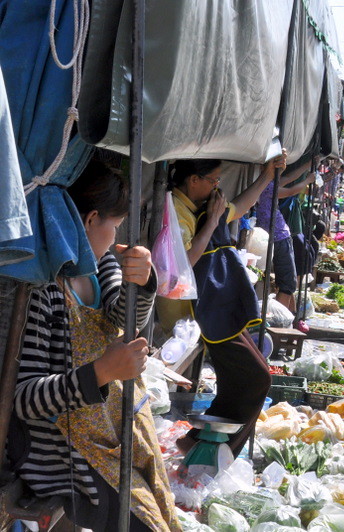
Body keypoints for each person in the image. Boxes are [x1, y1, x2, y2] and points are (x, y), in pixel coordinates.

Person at [12, 161, 179, 531]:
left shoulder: (101, 264)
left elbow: (123, 318)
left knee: (156, 501)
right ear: (90, 220)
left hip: (110, 426)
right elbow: (23, 399)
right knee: (140, 522)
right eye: (115, 225)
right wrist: (101, 372)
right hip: (60, 447)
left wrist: (143, 281)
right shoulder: (42, 293)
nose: (118, 236)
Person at [158, 157, 282, 457]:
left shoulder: (204, 202)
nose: (217, 186)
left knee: (248, 378)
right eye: (213, 180)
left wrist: (267, 176)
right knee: (256, 379)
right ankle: (222, 450)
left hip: (218, 307)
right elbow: (182, 263)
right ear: (193, 180)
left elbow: (239, 206)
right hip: (195, 314)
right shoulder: (176, 209)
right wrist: (212, 222)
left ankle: (198, 440)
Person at [255, 159, 317, 318]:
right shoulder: (267, 186)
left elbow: (288, 179)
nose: (281, 170)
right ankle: (279, 320)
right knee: (288, 284)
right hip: (278, 236)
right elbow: (290, 191)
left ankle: (289, 316)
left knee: (288, 282)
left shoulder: (264, 183)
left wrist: (307, 165)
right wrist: (308, 180)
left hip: (278, 235)